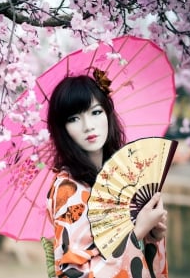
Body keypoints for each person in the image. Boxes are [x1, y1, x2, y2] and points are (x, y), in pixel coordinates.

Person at [46, 74, 168, 278]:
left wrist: (152, 235)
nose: (88, 126)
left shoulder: (120, 179)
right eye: (74, 118)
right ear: (62, 129)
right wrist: (137, 232)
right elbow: (73, 274)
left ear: (108, 114)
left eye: (95, 112)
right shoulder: (68, 189)